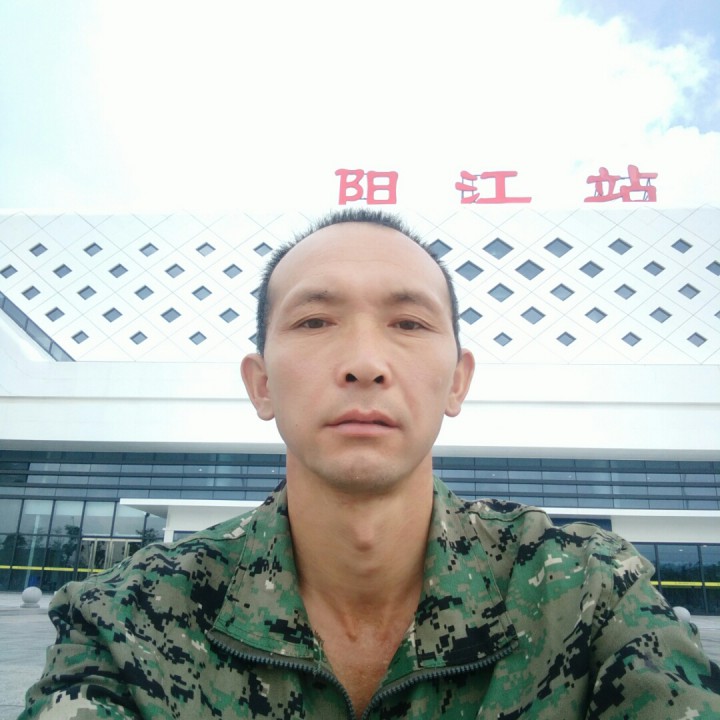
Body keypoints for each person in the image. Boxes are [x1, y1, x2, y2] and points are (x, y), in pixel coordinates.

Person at [21, 209, 720, 719]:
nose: (363, 363)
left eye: (409, 323)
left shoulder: (588, 594)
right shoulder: (128, 620)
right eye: (315, 321)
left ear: (457, 382)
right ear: (261, 385)